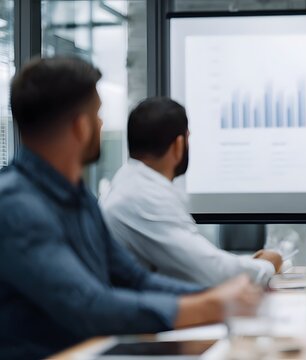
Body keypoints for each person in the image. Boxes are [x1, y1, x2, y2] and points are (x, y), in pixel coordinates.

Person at [0, 57, 262, 359]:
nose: (101, 124)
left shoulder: (78, 198)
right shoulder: (15, 206)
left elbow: (135, 279)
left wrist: (215, 297)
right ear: (80, 127)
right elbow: (89, 306)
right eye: (97, 114)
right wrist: (208, 305)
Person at [100, 97, 282, 287]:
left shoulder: (132, 183)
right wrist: (267, 264)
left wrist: (249, 264)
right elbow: (212, 272)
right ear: (179, 145)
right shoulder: (142, 197)